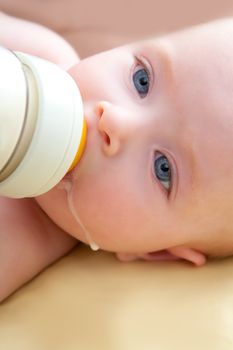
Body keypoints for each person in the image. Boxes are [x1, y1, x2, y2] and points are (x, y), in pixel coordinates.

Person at [1, 11, 233, 301]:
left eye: (163, 170)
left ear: (155, 251)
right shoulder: (39, 55)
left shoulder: (24, 238)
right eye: (142, 80)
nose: (115, 121)